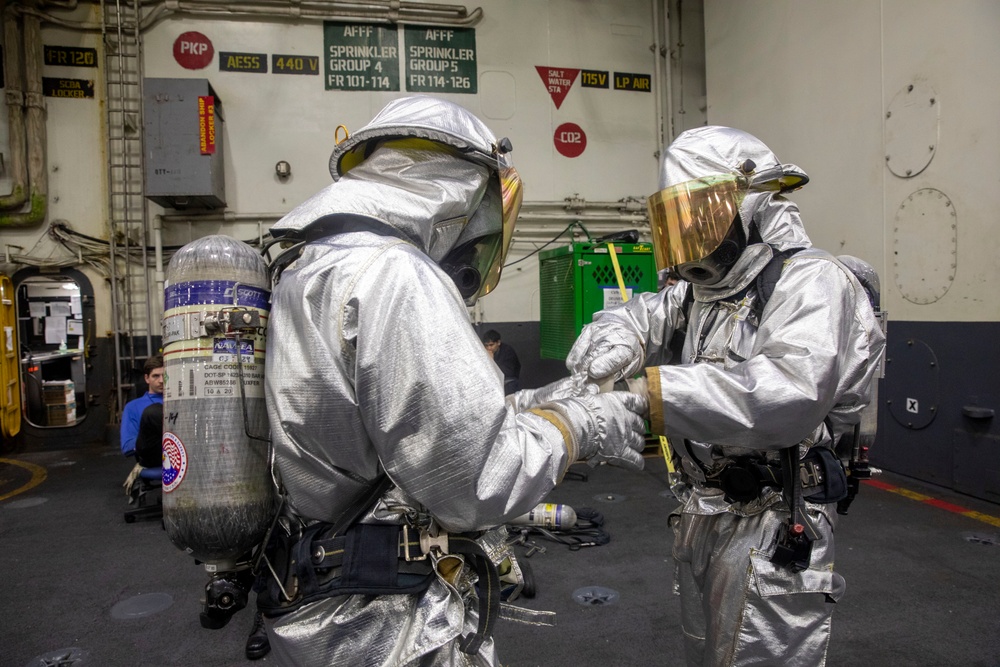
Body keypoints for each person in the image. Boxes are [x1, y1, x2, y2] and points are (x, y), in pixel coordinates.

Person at [261, 96, 647, 666]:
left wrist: (550, 399)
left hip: (330, 594)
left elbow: (422, 429)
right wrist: (581, 424)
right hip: (391, 620)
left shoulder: (313, 266)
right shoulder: (395, 273)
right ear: (457, 191)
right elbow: (479, 481)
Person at [567, 126, 886, 666]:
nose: (690, 236)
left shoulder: (811, 281)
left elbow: (786, 395)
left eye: (701, 217)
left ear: (751, 204)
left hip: (774, 518)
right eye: (678, 221)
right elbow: (634, 316)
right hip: (704, 509)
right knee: (705, 652)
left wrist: (643, 396)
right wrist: (614, 345)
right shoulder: (699, 294)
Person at [120, 355, 164, 457]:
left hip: (183, 459)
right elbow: (127, 446)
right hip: (152, 460)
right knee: (152, 412)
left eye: (165, 375)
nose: (161, 380)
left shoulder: (179, 403)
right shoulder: (133, 407)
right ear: (147, 378)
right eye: (156, 376)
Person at [482, 329, 521, 394]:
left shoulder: (507, 351)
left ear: (498, 343)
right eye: (486, 345)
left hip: (508, 381)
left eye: (491, 345)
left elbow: (509, 372)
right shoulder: (483, 351)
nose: (489, 348)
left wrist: (492, 361)